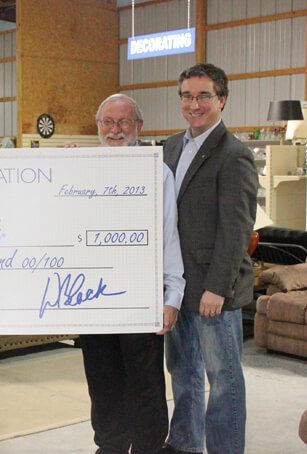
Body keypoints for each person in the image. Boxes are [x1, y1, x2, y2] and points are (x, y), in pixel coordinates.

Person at [73, 93, 185, 454]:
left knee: (146, 384)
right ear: (98, 127)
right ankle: (110, 447)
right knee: (102, 383)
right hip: (92, 299)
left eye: (123, 122)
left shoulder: (158, 172)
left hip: (141, 298)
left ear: (139, 127)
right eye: (108, 122)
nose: (115, 130)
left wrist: (173, 295)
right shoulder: (79, 168)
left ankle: (150, 448)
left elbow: (168, 236)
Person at [162, 64, 258, 454]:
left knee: (224, 381)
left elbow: (236, 230)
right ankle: (185, 442)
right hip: (179, 286)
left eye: (204, 96)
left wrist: (218, 288)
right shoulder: (170, 146)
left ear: (222, 99)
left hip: (213, 292)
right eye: (187, 95)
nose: (194, 104)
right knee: (183, 373)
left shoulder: (234, 155)